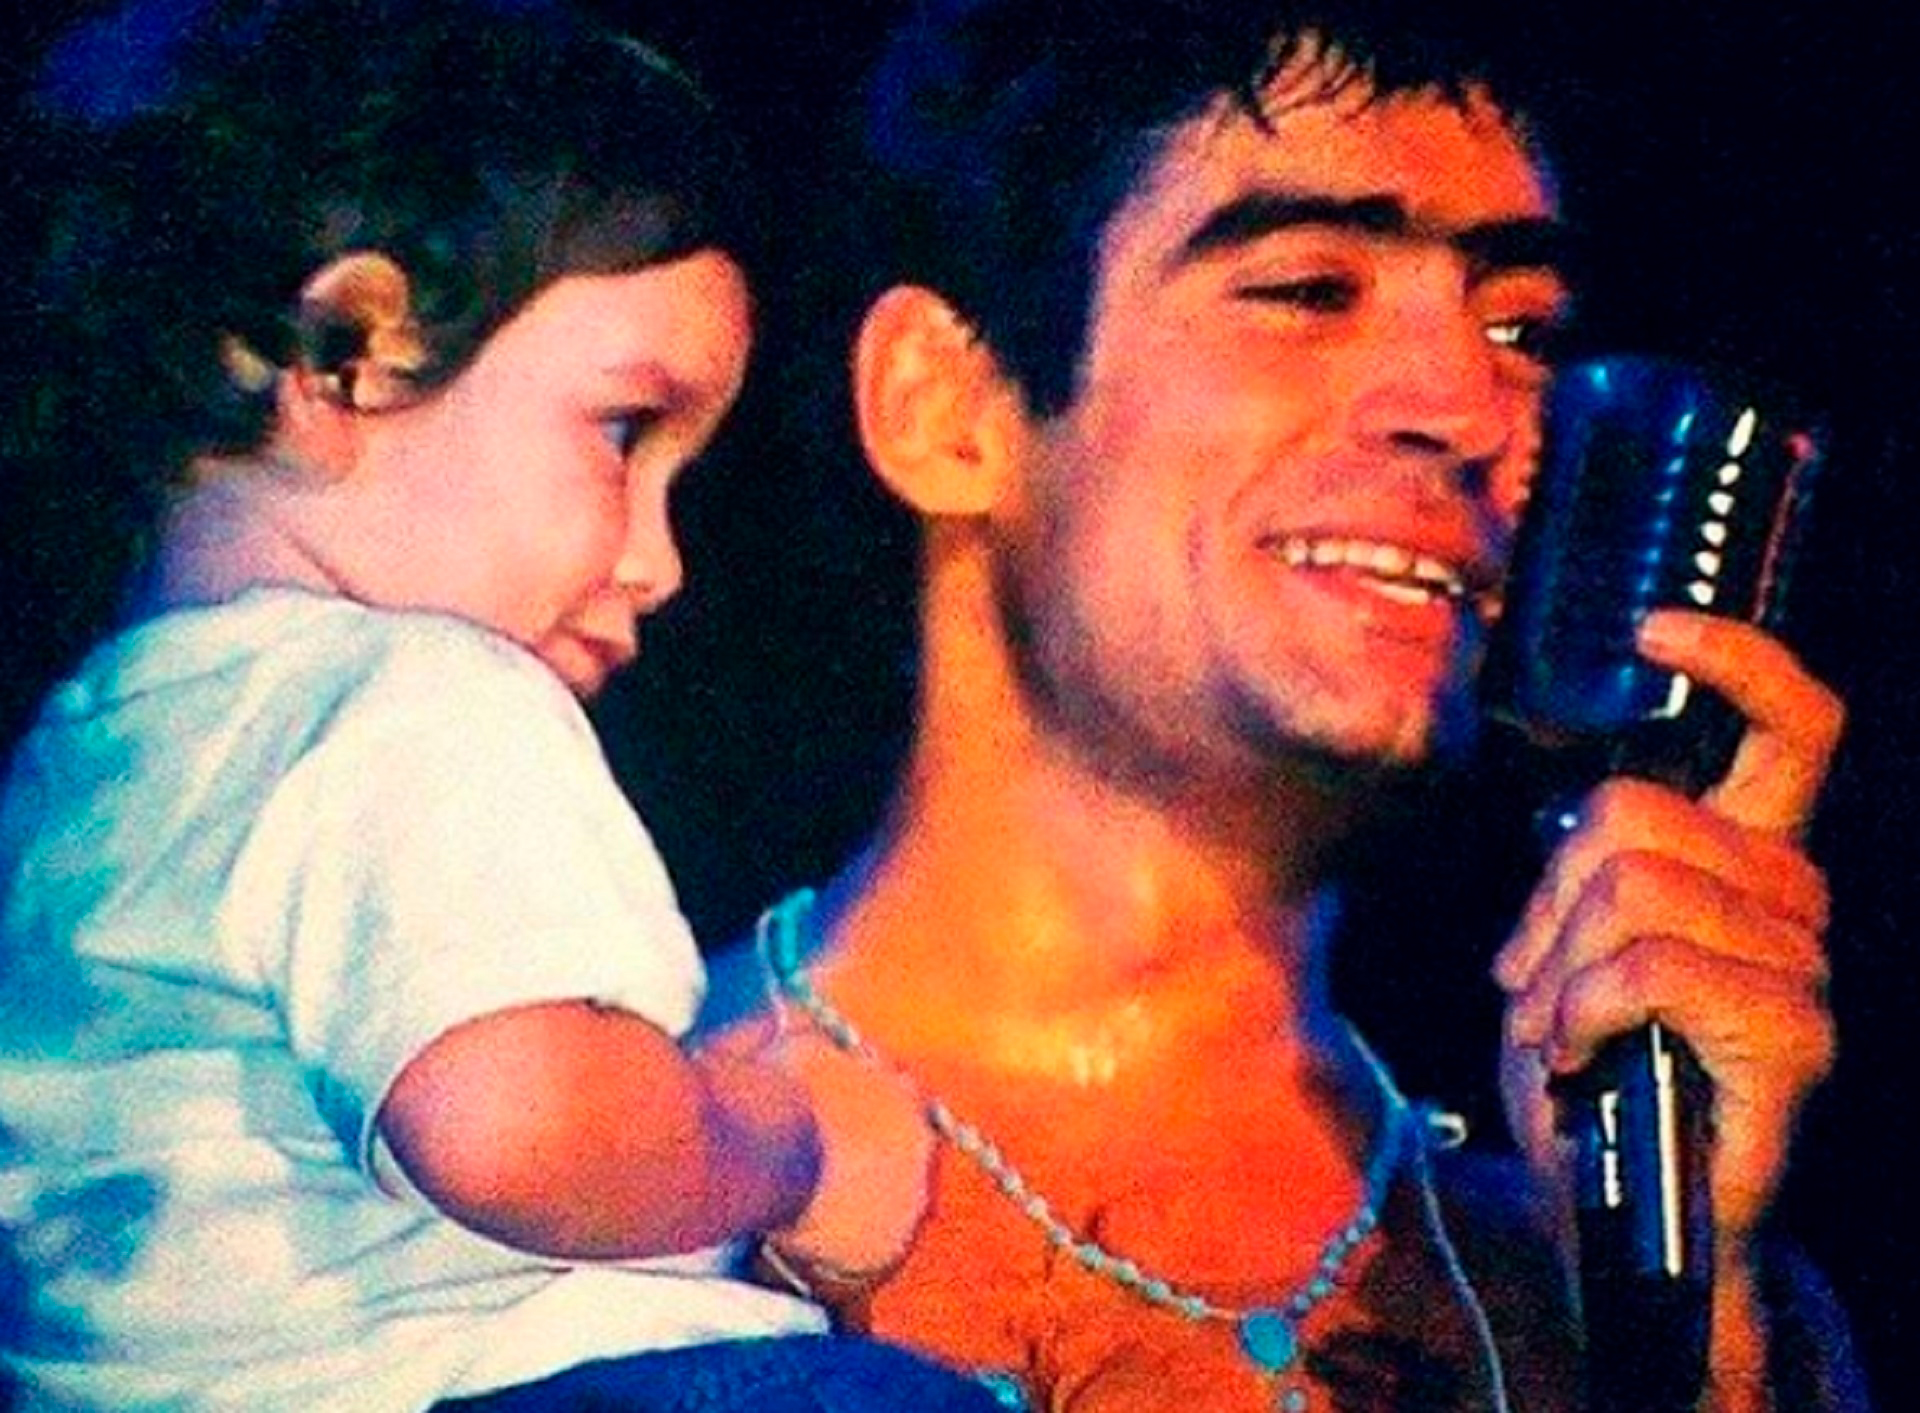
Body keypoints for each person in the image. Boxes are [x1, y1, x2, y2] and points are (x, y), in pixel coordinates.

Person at [700, 0, 1870, 1408]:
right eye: (1313, 291)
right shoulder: (589, 1153)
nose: (1473, 410)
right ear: (946, 407)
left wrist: (1680, 1313)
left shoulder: (1567, 1274)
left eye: (1520, 327)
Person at [0, 2, 1003, 1409]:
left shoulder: (75, 770)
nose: (660, 562)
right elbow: (509, 1123)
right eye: (624, 433)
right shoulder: (416, 697)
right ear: (348, 354)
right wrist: (787, 1138)